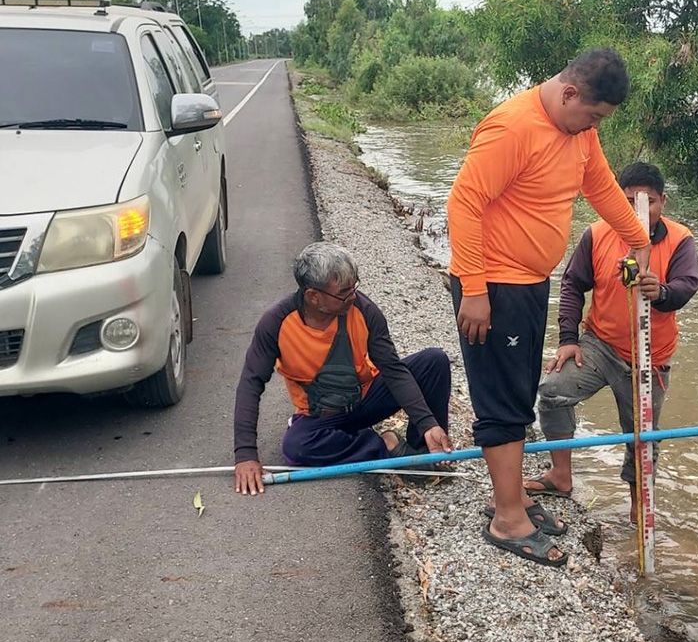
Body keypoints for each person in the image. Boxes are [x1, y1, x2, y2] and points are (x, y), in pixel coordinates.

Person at [447, 48, 653, 567]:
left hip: (530, 283)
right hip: (492, 286)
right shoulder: (513, 127)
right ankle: (507, 519)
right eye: (593, 115)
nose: (594, 127)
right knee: (501, 398)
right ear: (569, 93)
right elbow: (463, 203)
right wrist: (473, 289)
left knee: (519, 393)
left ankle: (511, 497)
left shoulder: (577, 133)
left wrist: (638, 240)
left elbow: (601, 187)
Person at [528, 162, 698, 522]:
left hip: (652, 356)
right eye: (629, 201)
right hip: (599, 344)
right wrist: (568, 339)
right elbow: (573, 284)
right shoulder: (598, 233)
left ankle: (639, 506)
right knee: (553, 391)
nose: (641, 209)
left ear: (663, 202)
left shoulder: (679, 239)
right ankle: (561, 476)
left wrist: (663, 292)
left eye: (649, 201)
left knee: (643, 435)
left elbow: (688, 283)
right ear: (615, 201)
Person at [232, 242, 452, 495]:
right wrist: (245, 454)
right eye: (344, 293)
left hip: (366, 399)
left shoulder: (364, 310)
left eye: (354, 287)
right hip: (320, 416)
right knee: (297, 448)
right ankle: (384, 444)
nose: (353, 297)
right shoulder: (276, 323)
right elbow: (251, 383)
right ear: (313, 296)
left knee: (434, 361)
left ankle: (423, 451)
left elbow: (392, 369)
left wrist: (427, 424)